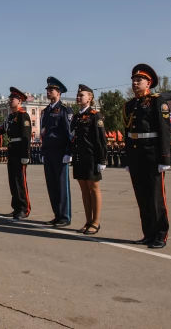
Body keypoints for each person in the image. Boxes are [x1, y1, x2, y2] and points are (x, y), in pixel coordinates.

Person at [123, 64, 170, 249]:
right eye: (133, 80)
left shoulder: (158, 101)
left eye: (139, 80)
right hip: (136, 155)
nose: (135, 83)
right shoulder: (130, 105)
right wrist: (127, 158)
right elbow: (127, 133)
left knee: (156, 198)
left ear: (148, 83)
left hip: (152, 155)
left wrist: (165, 158)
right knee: (142, 197)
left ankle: (160, 234)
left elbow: (164, 130)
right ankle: (148, 233)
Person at [0, 88, 32, 218]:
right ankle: (16, 207)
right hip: (11, 149)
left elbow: (26, 137)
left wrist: (25, 155)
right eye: (9, 99)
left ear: (19, 101)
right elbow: (1, 129)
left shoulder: (23, 115)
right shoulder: (10, 117)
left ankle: (24, 208)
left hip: (20, 150)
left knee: (20, 181)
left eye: (12, 99)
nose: (10, 101)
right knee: (13, 180)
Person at [71, 84, 107, 235]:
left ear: (90, 98)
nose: (79, 97)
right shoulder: (76, 116)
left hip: (91, 158)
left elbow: (101, 140)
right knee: (84, 190)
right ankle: (87, 221)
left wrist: (102, 160)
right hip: (79, 157)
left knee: (93, 189)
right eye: (78, 95)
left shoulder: (95, 116)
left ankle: (96, 222)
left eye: (82, 95)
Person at [41, 77, 73, 227]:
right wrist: (42, 151)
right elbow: (44, 133)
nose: (48, 92)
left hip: (61, 153)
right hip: (48, 152)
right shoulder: (46, 111)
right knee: (51, 185)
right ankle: (57, 214)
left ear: (58, 92)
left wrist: (69, 152)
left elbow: (69, 133)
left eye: (51, 90)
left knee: (62, 186)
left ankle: (65, 216)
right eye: (47, 90)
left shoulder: (65, 110)